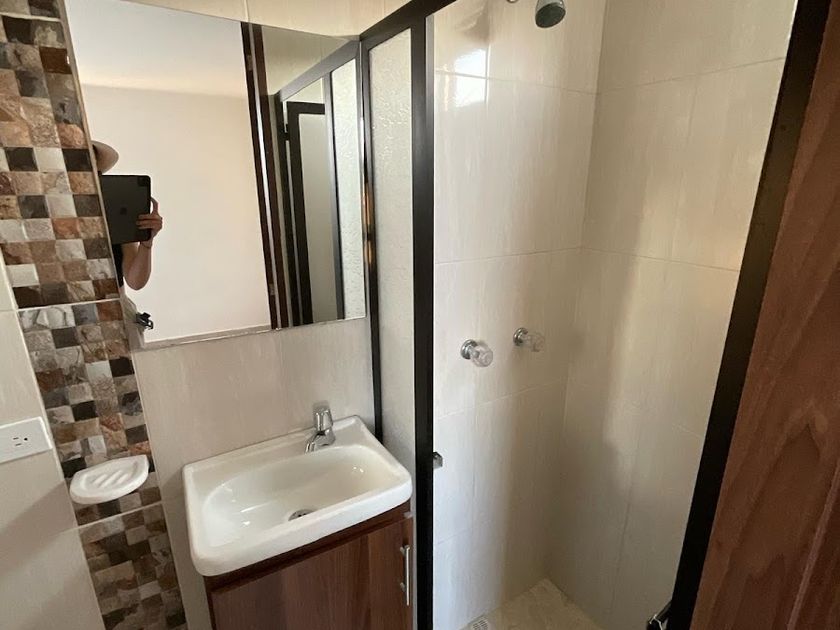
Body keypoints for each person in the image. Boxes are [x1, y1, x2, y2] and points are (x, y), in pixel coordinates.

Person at [91, 141, 163, 290]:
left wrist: (147, 241)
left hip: (110, 300)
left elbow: (135, 282)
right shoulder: (44, 211)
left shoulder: (114, 207)